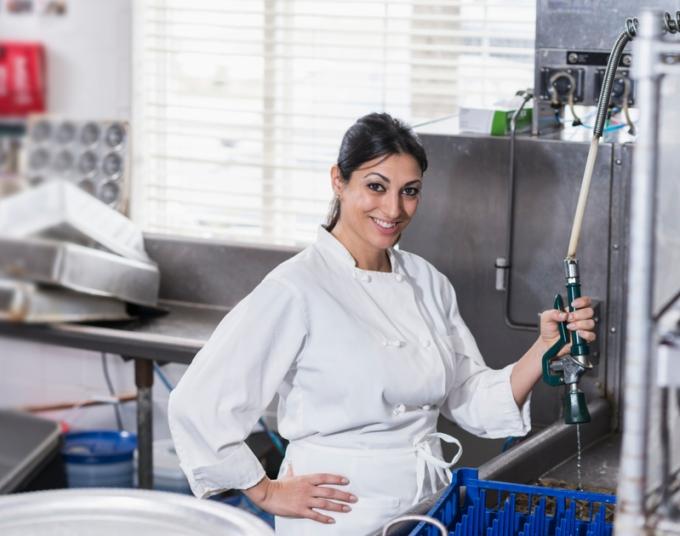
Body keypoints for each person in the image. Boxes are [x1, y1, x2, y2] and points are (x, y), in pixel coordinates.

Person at [168, 112, 596, 535]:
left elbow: (471, 399)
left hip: (424, 505)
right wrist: (265, 492)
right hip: (338, 513)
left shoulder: (427, 282)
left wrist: (545, 348)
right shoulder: (296, 288)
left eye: (409, 192)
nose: (393, 209)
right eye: (376, 187)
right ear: (339, 180)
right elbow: (198, 404)